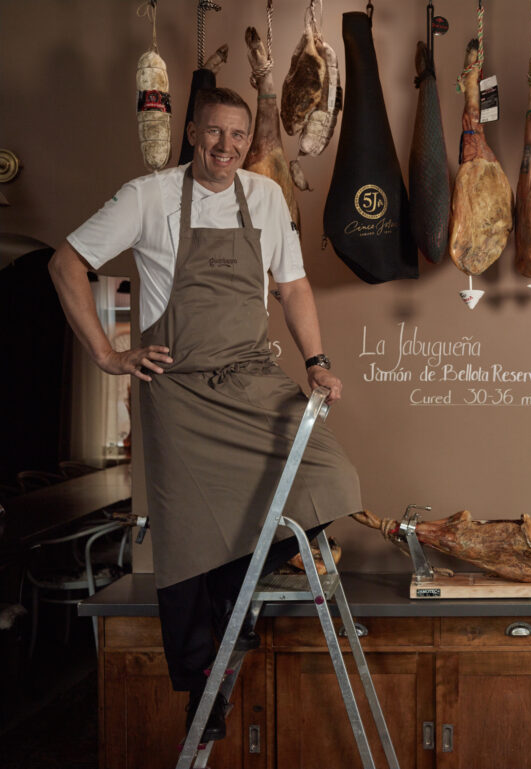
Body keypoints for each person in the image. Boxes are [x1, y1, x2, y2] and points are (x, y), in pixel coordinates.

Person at [48, 87, 361, 742]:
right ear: (191, 132)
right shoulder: (149, 195)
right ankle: (207, 683)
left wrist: (316, 360)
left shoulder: (267, 198)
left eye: (238, 136)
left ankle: (240, 616)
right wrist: (107, 354)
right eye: (213, 132)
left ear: (250, 141)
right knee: (191, 542)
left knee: (328, 472)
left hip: (249, 376)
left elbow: (293, 283)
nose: (226, 146)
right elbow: (66, 262)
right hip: (178, 393)